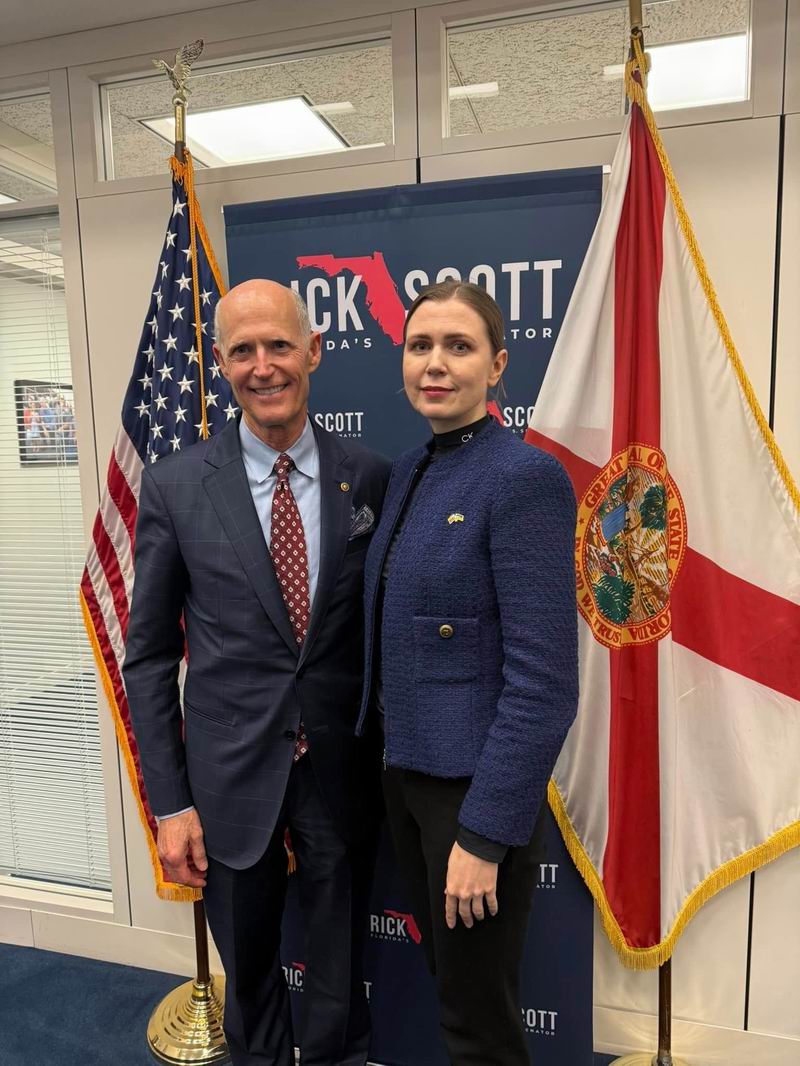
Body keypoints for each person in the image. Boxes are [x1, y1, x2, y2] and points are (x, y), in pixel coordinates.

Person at [123, 279, 391, 1066]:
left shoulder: (369, 475)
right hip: (227, 778)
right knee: (247, 978)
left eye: (279, 345)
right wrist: (171, 803)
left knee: (341, 970)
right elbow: (149, 657)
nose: (263, 365)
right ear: (219, 363)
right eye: (243, 350)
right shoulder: (175, 486)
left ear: (314, 351)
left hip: (339, 769)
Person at [356, 281, 579, 1065]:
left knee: (478, 1027)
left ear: (498, 365)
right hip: (405, 780)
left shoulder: (524, 479)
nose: (436, 364)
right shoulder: (410, 469)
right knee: (455, 991)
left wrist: (483, 836)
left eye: (459, 346)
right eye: (420, 346)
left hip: (472, 797)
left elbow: (546, 688)